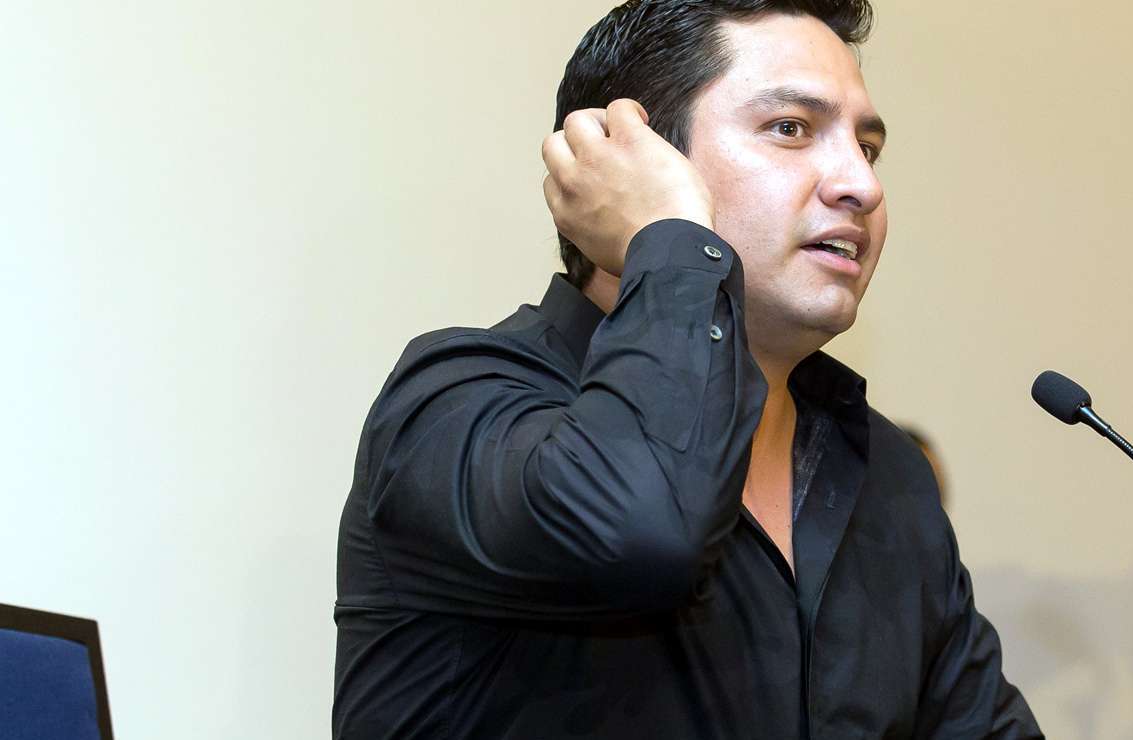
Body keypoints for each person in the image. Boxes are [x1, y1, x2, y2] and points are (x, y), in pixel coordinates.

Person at [333, 1, 1043, 738]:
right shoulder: (457, 405)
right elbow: (643, 530)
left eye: (867, 147)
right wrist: (667, 236)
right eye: (790, 128)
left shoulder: (885, 472)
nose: (861, 185)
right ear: (629, 159)